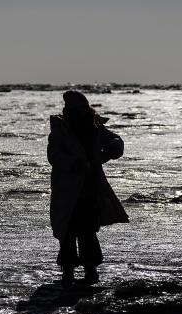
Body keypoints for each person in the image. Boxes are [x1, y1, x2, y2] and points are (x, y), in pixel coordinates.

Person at [47, 91, 128, 285]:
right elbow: (54, 156)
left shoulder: (95, 126)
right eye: (72, 109)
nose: (76, 112)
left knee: (88, 229)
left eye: (80, 108)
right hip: (66, 190)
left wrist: (107, 152)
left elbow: (116, 142)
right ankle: (68, 271)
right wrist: (76, 164)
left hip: (90, 187)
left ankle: (90, 269)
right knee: (67, 230)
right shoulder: (61, 130)